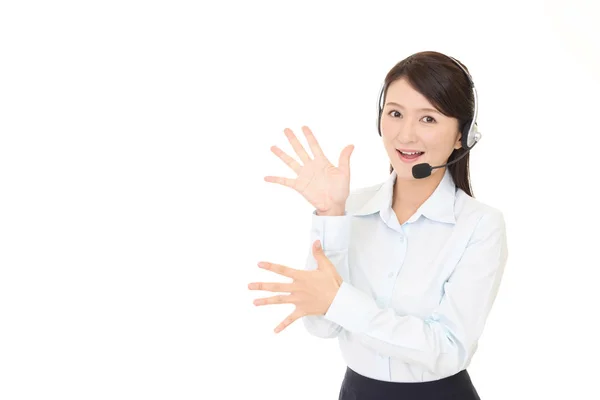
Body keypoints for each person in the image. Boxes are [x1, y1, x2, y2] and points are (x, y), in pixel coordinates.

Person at [248, 50, 508, 400]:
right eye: (395, 114)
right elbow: (323, 325)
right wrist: (331, 215)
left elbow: (448, 350)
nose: (406, 135)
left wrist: (341, 301)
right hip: (356, 391)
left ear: (462, 135)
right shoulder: (350, 207)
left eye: (428, 119)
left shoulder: (480, 225)